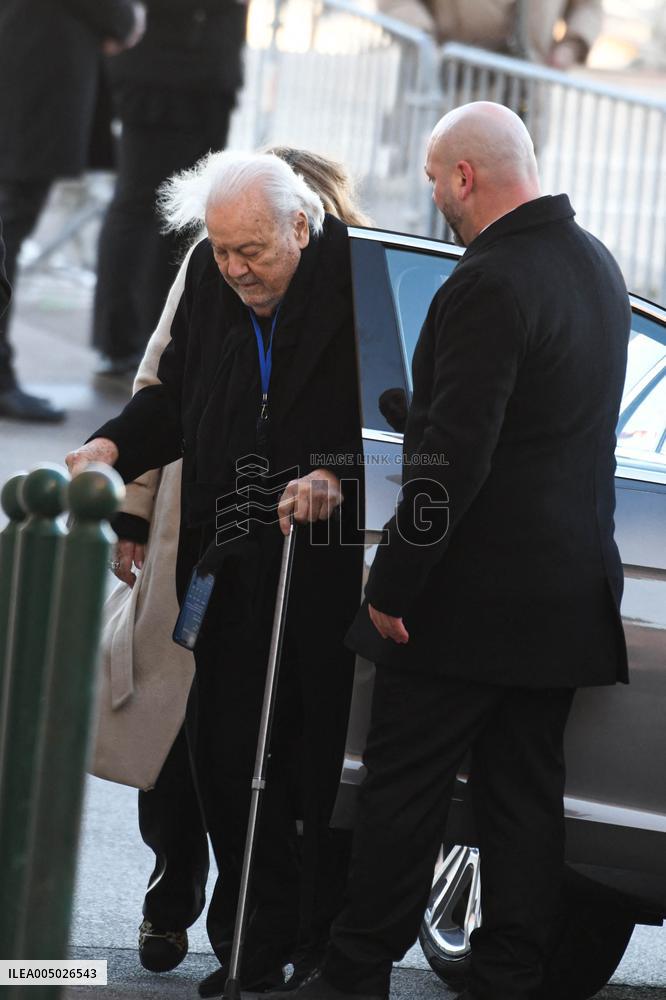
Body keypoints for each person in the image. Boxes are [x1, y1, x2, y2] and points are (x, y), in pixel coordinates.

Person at [262, 101, 631, 1000]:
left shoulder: (487, 282)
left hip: (467, 603)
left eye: (434, 180)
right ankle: (509, 974)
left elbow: (452, 459)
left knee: (403, 787)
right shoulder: (597, 267)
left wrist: (392, 585)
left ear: (465, 176)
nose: (434, 196)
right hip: (569, 594)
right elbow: (544, 430)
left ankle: (356, 971)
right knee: (523, 797)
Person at [66, 152, 365, 996]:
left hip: (318, 561)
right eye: (223, 249)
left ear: (300, 227)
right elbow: (173, 394)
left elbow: (401, 422)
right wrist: (113, 445)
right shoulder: (208, 271)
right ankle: (248, 944)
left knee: (308, 763)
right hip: (224, 550)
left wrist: (336, 473)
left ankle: (312, 943)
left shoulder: (356, 279)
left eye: (251, 251)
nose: (234, 269)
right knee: (224, 755)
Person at [0, 0, 145, 422]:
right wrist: (122, 18)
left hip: (29, 64)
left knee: (11, 222)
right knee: (11, 223)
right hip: (33, 71)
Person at [92, 0, 248, 376]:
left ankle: (163, 336)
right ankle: (123, 339)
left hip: (208, 73)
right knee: (140, 205)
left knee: (184, 213)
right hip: (159, 74)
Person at [376, 0, 602, 68]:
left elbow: (588, 7)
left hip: (527, 91)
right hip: (448, 81)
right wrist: (423, 39)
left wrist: (572, 46)